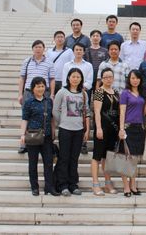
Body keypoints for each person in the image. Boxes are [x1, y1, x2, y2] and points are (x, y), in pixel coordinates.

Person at [53, 67, 89, 196]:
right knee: (64, 158)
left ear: (81, 79)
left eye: (78, 77)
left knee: (74, 158)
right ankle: (62, 185)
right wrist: (62, 122)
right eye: (73, 76)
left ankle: (73, 184)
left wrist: (86, 129)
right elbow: (55, 110)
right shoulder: (62, 92)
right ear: (68, 78)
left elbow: (86, 111)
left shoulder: (84, 94)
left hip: (78, 130)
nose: (75, 79)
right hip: (65, 130)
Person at [20, 77, 58, 196]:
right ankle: (34, 187)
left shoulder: (49, 101)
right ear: (33, 88)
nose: (41, 88)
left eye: (42, 86)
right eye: (38, 86)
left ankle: (49, 187)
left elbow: (52, 118)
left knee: (48, 163)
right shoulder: (28, 102)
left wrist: (53, 130)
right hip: (33, 136)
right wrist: (22, 134)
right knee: (33, 163)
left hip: (47, 136)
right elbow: (25, 119)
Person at [17, 40, 55, 153]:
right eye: (36, 47)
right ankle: (24, 142)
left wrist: (52, 94)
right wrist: (20, 94)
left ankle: (44, 140)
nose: (38, 49)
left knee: (44, 116)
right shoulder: (27, 61)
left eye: (40, 47)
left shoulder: (49, 62)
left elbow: (52, 79)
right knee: (27, 116)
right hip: (29, 92)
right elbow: (22, 78)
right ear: (32, 49)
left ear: (44, 49)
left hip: (44, 91)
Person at [91, 68, 119, 196]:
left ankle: (108, 183)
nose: (108, 79)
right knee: (97, 156)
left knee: (107, 157)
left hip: (113, 129)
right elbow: (97, 112)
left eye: (110, 77)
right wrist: (98, 128)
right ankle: (95, 184)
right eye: (106, 77)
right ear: (102, 79)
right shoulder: (99, 92)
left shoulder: (116, 92)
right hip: (102, 127)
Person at [118, 70, 145, 197]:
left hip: (139, 128)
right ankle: (126, 187)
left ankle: (133, 185)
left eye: (137, 78)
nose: (135, 80)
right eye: (133, 78)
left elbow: (144, 111)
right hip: (128, 127)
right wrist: (121, 129)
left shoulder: (141, 93)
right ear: (129, 79)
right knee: (125, 158)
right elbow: (122, 112)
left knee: (134, 159)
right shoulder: (125, 93)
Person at [46, 31, 74, 96]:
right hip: (52, 79)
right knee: (51, 98)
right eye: (58, 37)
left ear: (64, 39)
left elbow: (72, 64)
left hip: (64, 80)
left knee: (63, 99)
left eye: (61, 37)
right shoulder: (49, 52)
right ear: (54, 39)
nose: (60, 39)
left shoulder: (69, 51)